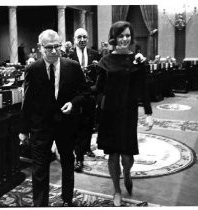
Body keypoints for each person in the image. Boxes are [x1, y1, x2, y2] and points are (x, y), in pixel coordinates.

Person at [19, 29, 86, 207]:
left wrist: (73, 103)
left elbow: (84, 93)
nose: (55, 51)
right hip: (41, 126)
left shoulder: (72, 66)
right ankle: (40, 204)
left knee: (67, 162)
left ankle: (67, 199)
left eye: (57, 46)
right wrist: (24, 130)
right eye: (49, 48)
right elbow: (28, 101)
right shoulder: (32, 70)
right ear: (40, 48)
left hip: (65, 124)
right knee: (39, 168)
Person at [95, 21, 153, 206]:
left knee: (127, 156)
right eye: (121, 36)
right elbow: (99, 89)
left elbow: (143, 89)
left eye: (128, 35)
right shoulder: (105, 61)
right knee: (113, 154)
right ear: (114, 37)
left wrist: (149, 113)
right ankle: (117, 189)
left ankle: (127, 173)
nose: (125, 39)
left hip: (128, 113)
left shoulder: (138, 60)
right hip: (110, 114)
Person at [69, 28, 101, 172]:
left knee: (89, 124)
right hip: (75, 97)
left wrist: (95, 89)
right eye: (79, 37)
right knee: (77, 125)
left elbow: (100, 76)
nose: (82, 40)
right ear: (75, 39)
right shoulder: (69, 56)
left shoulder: (95, 54)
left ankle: (87, 147)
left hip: (90, 96)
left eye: (85, 37)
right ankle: (78, 157)